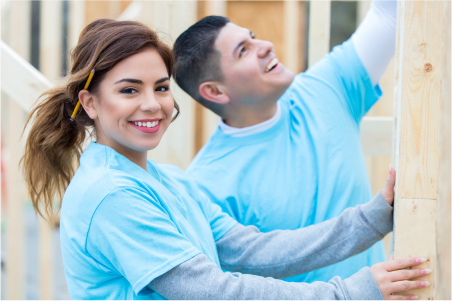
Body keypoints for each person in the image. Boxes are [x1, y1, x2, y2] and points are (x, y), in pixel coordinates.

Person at [21, 19, 428, 300]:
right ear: (90, 103)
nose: (152, 104)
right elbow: (210, 292)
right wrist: (350, 293)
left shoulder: (171, 183)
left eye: (161, 88)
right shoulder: (110, 195)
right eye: (129, 90)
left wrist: (374, 217)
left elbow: (253, 251)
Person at [174, 0, 397, 283]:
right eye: (244, 50)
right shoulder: (208, 187)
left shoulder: (326, 88)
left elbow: (389, 14)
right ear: (215, 92)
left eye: (252, 37)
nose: (265, 45)